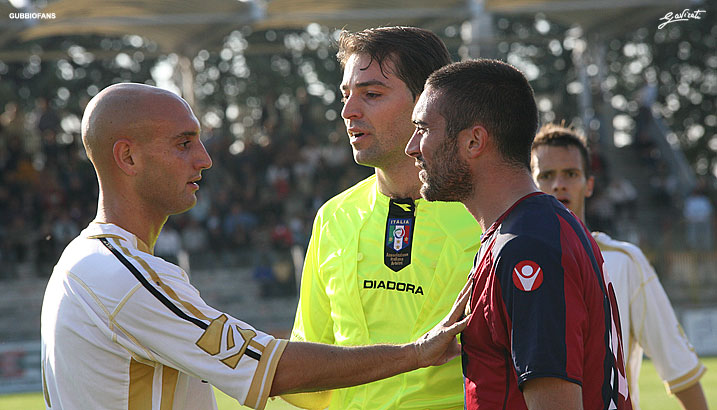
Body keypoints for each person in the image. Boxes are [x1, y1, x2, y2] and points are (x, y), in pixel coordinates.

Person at [40, 83, 471, 410]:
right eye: (183, 143)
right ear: (128, 158)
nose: (204, 159)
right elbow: (272, 368)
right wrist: (417, 352)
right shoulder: (120, 276)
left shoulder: (85, 263)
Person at [406, 59, 632, 409]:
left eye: (423, 129)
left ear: (473, 142)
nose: (413, 147)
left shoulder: (527, 244)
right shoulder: (529, 228)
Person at [287, 26, 481, 410]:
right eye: (346, 95)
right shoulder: (333, 217)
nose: (348, 111)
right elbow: (307, 376)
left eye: (371, 94)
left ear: (430, 103)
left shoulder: (488, 216)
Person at [530, 123, 709, 410]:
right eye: (547, 175)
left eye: (571, 174)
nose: (559, 184)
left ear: (589, 184)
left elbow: (679, 369)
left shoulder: (625, 262)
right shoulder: (513, 266)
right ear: (532, 185)